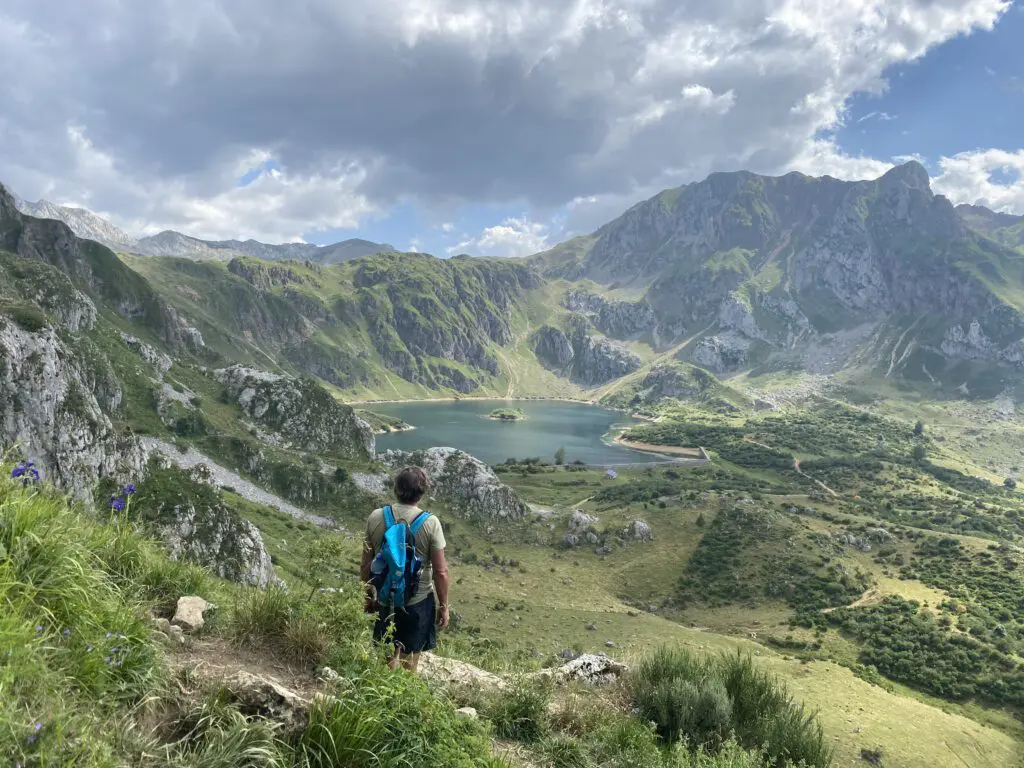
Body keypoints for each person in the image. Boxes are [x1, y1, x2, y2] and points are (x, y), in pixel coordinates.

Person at [361, 465, 450, 672]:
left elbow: (366, 564)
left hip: (385, 598)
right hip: (417, 601)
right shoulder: (431, 523)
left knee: (385, 658)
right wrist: (444, 606)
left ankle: (381, 684)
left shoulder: (376, 517)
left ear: (396, 489)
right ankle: (403, 688)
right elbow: (441, 572)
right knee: (409, 664)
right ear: (422, 491)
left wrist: (368, 596)